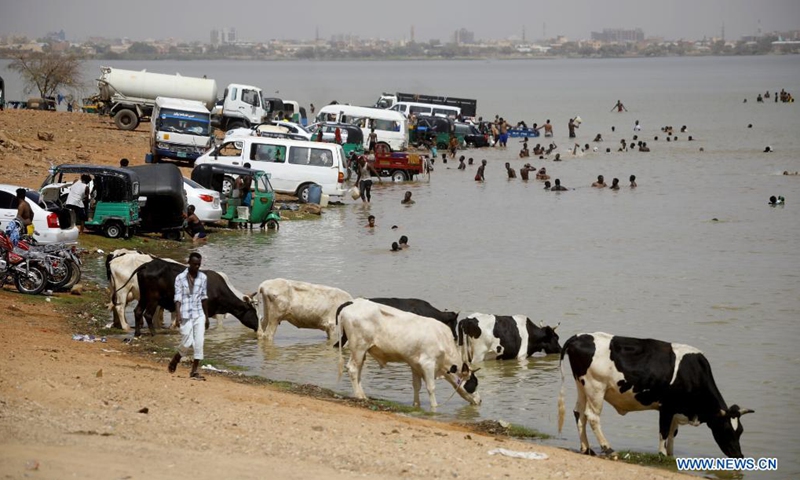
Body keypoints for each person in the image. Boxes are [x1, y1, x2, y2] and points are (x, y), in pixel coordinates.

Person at [167, 252, 209, 381]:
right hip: (184, 314)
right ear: (189, 263)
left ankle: (194, 371)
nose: (197, 267)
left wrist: (206, 317)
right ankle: (176, 358)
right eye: (195, 264)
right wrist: (178, 315)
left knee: (199, 342)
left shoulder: (203, 278)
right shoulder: (180, 278)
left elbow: (204, 297)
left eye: (199, 265)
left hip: (198, 314)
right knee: (187, 341)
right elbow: (177, 297)